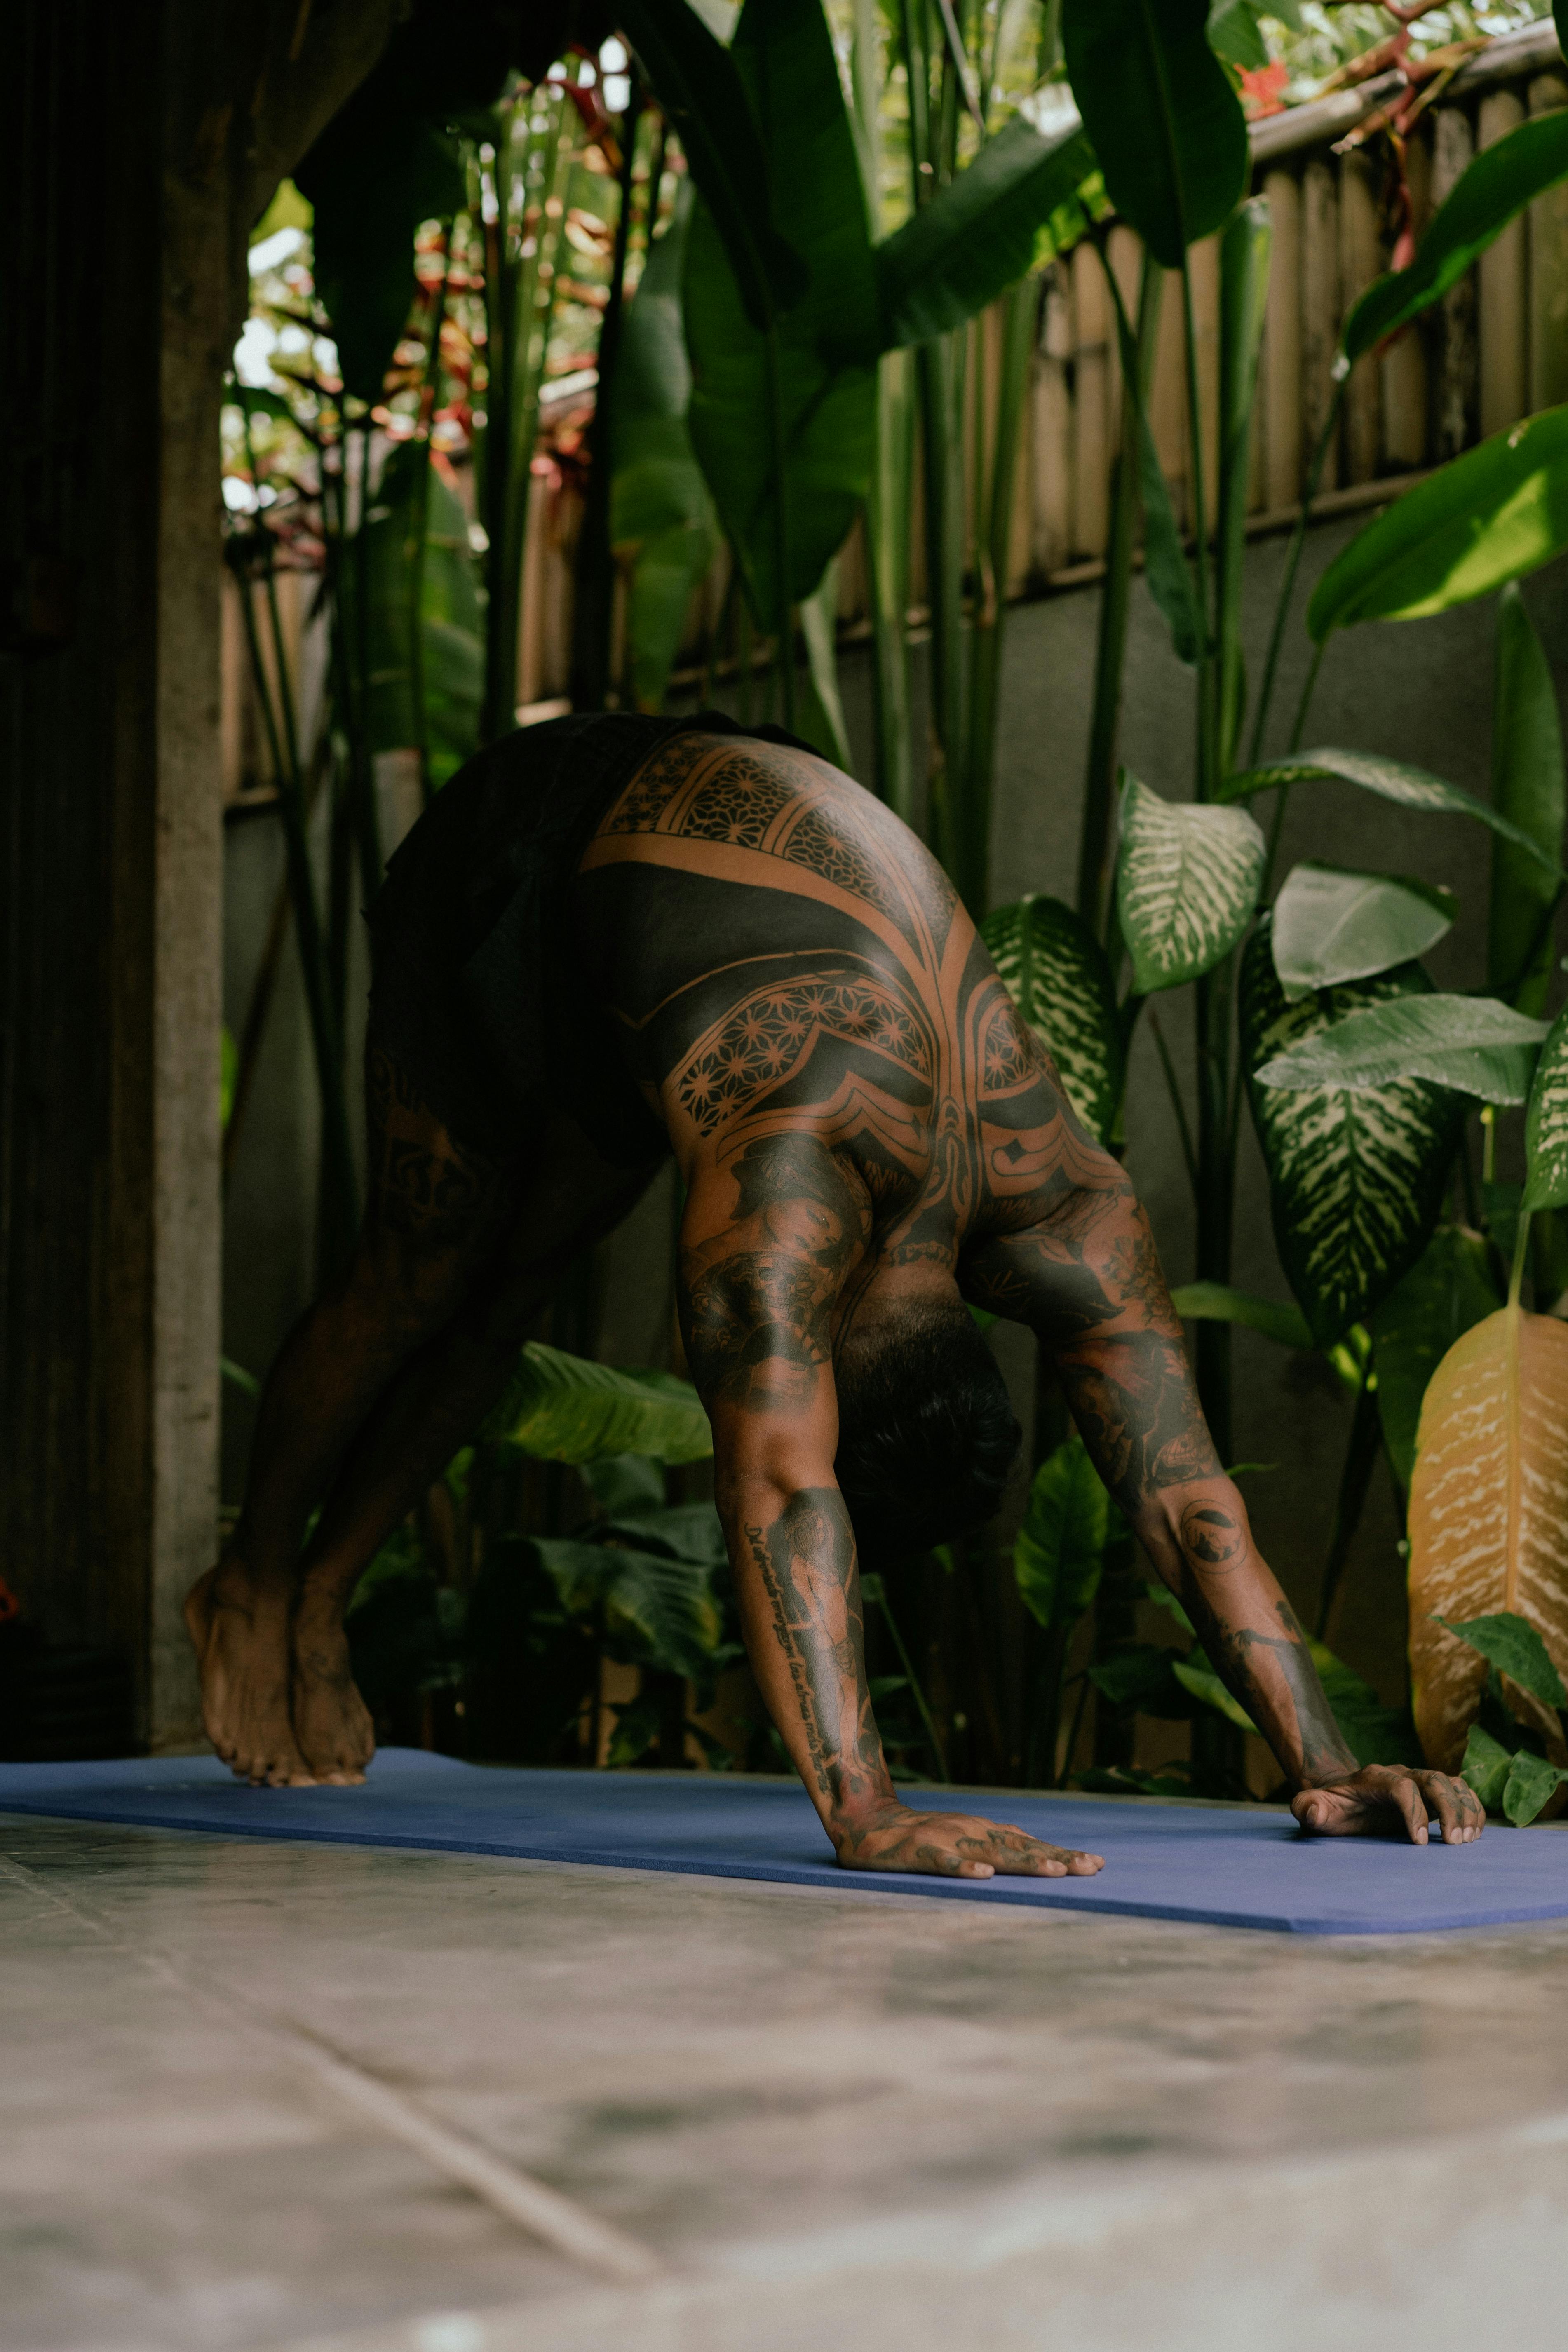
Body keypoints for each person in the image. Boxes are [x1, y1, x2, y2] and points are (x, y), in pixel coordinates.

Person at [187, 714, 1484, 1872]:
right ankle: (253, 1579)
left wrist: (1325, 1762)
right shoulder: (787, 1179)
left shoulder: (1071, 1205)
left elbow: (1185, 1496)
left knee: (507, 1294)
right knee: (418, 1271)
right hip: (521, 852)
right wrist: (863, 1807)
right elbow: (780, 1484)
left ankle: (322, 1593)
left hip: (655, 945)